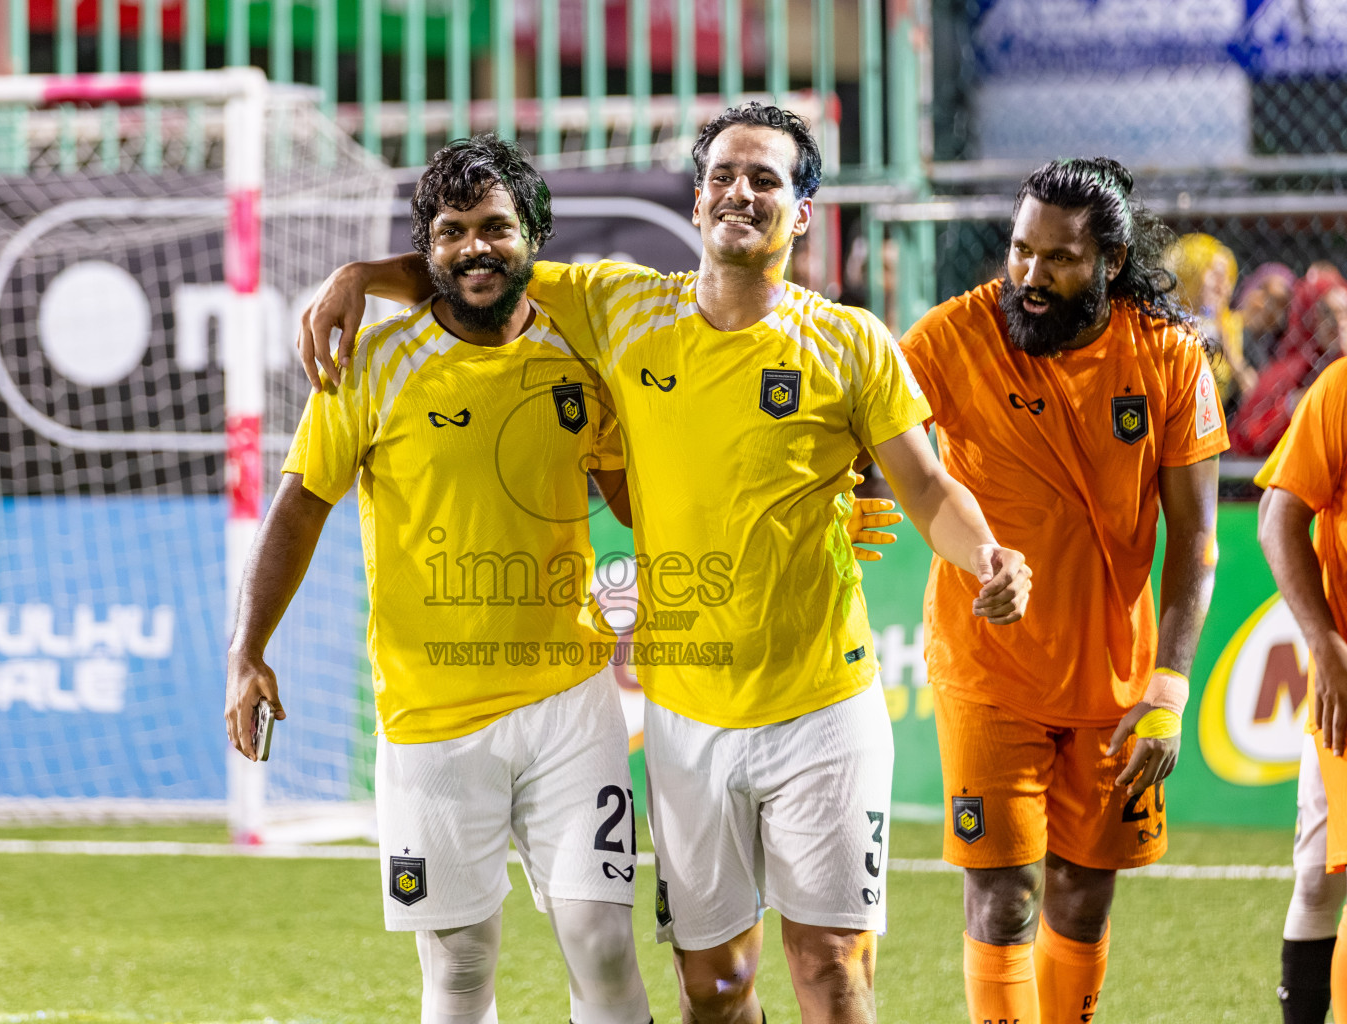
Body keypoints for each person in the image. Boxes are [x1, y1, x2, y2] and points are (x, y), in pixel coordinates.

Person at [297, 103, 1033, 1024]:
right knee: (715, 990)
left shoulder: (852, 342)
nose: (741, 191)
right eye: (725, 174)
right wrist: (360, 276)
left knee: (833, 969)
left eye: (766, 178)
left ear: (802, 212)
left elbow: (926, 486)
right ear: (697, 200)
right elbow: (484, 264)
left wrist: (987, 556)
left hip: (824, 704)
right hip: (687, 715)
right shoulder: (622, 305)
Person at [224, 135, 655, 1024]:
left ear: (532, 234)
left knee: (604, 947)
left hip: (570, 703)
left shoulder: (582, 356)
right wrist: (248, 649)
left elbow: (635, 496)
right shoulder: (369, 366)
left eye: (495, 227)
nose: (474, 249)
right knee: (459, 971)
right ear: (427, 250)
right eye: (451, 232)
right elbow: (299, 509)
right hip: (428, 718)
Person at [898, 157, 1229, 1024]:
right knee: (1002, 898)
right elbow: (875, 439)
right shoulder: (951, 336)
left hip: (1116, 682)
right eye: (1019, 250)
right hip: (988, 670)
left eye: (1059, 259)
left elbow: (1197, 541)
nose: (1030, 276)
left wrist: (1170, 685)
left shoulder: (1168, 356)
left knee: (1083, 897)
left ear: (1111, 262)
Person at [1259, 357, 1347, 1023]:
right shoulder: (1341, 388)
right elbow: (1278, 515)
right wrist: (1323, 642)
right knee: (1319, 879)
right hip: (1346, 680)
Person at [1233, 263, 1347, 456]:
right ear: (1308, 315)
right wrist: (1289, 407)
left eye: (1344, 312)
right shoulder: (1286, 374)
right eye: (1327, 313)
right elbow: (1243, 439)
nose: (1337, 323)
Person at [1168, 232, 1253, 414]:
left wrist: (1229, 350)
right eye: (1215, 274)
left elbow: (1257, 394)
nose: (1223, 283)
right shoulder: (1167, 326)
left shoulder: (1239, 328)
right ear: (1191, 274)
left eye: (1228, 276)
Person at [1236, 262, 1296, 372]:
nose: (1264, 306)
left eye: (1280, 305)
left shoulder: (1272, 353)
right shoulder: (1227, 327)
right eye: (1263, 291)